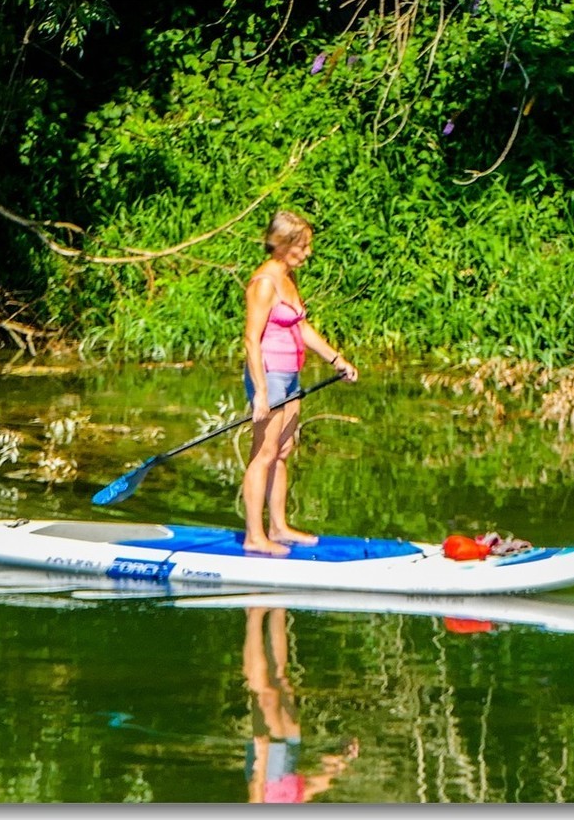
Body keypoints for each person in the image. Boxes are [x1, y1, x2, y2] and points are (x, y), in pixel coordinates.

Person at [241, 210, 357, 555]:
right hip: (270, 375)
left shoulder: (288, 278)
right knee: (263, 454)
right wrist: (261, 393)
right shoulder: (263, 283)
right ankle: (254, 536)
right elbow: (250, 339)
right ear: (280, 244)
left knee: (283, 451)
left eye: (308, 246)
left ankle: (278, 527)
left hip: (291, 374)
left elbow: (300, 327)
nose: (307, 253)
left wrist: (337, 359)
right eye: (301, 246)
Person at [243, 607, 359, 803]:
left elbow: (255, 795)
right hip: (289, 775)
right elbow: (309, 790)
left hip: (268, 777)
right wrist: (341, 762)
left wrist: (261, 760)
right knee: (282, 682)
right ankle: (279, 609)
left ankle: (255, 614)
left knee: (265, 695)